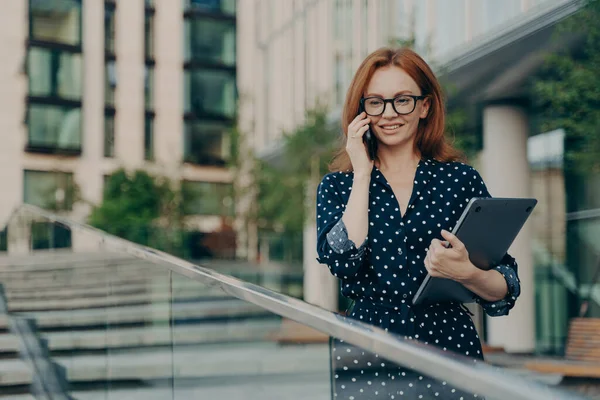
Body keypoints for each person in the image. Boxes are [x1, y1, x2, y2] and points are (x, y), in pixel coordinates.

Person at [315, 47, 521, 399]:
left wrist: (466, 272)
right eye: (376, 102)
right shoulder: (339, 186)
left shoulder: (460, 180)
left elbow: (506, 287)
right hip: (368, 347)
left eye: (402, 100)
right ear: (361, 110)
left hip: (448, 345)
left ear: (425, 106)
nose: (389, 113)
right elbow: (343, 260)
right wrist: (362, 172)